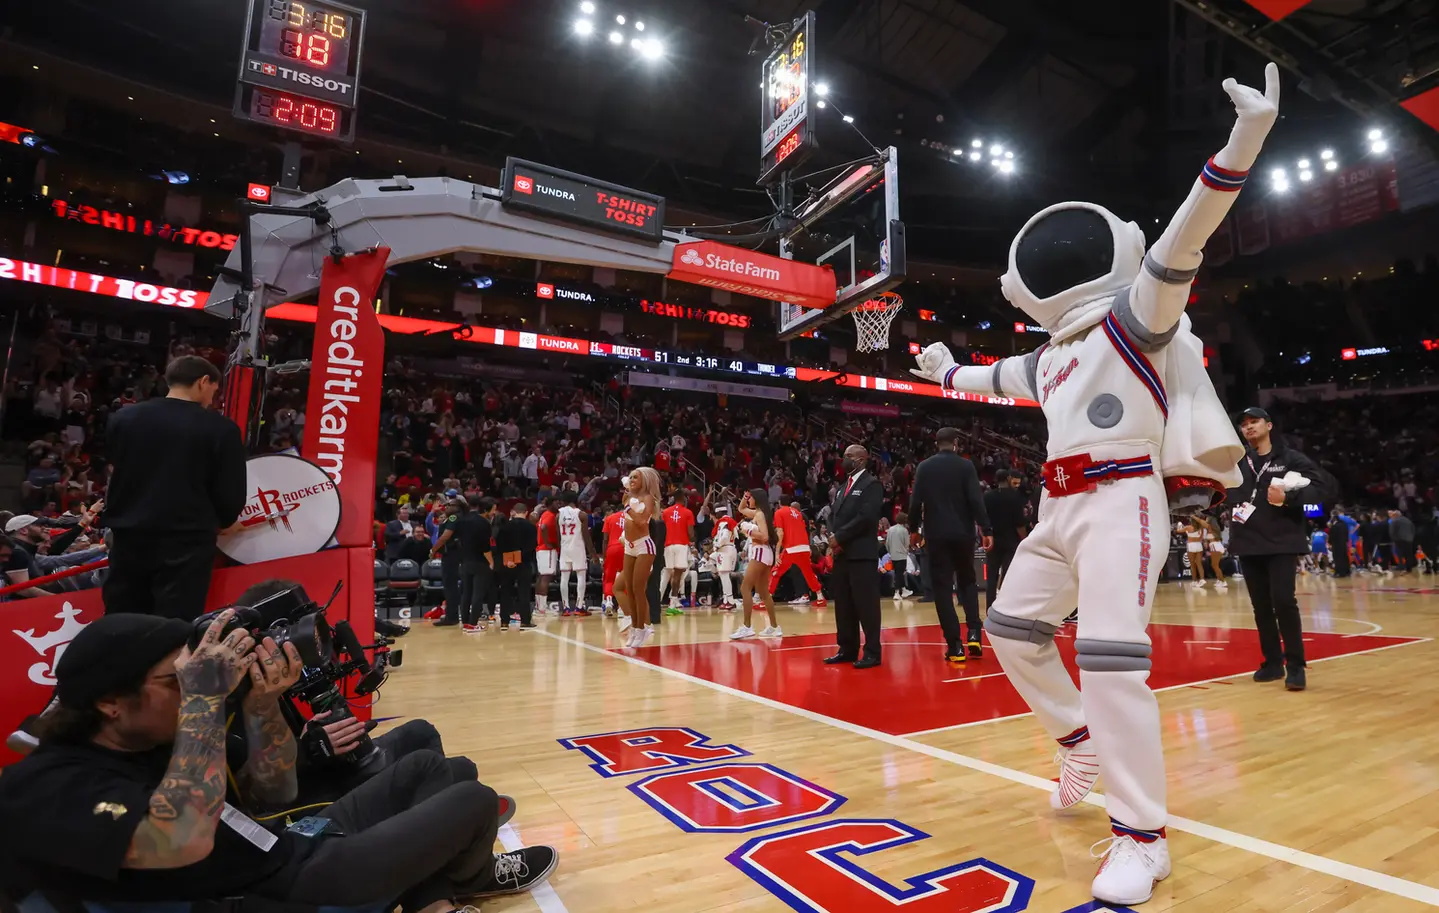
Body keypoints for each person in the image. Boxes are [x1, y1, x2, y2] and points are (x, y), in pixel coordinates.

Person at [910, 65, 1280, 905]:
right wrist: (941, 370)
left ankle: (1142, 838)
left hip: (1120, 499)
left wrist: (1243, 139)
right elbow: (990, 375)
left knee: (1112, 662)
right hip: (1057, 506)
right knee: (1009, 630)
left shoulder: (1135, 318)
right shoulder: (1049, 356)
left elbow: (1187, 231)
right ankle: (1075, 739)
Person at [0, 611, 556, 909]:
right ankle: (465, 881)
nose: (198, 687)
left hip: (289, 840)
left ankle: (435, 894)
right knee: (473, 799)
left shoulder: (147, 734)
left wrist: (263, 703)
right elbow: (181, 839)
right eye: (180, 680)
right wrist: (205, 700)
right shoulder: (45, 786)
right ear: (108, 702)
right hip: (283, 889)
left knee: (438, 769)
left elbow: (275, 792)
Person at [101, 356, 247, 620]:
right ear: (204, 382)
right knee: (172, 623)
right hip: (186, 541)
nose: (212, 400)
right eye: (214, 391)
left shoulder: (124, 418)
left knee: (121, 617)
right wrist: (226, 519)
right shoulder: (221, 429)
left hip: (128, 535)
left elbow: (114, 468)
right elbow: (230, 494)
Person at [1227, 407, 1327, 691]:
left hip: (1282, 541)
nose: (1248, 427)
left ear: (1268, 425)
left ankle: (1295, 666)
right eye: (1243, 424)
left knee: (1283, 601)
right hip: (1248, 540)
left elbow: (1322, 490)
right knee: (1261, 607)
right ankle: (1272, 663)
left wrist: (1289, 497)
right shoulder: (1236, 462)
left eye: (1254, 422)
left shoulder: (1290, 458)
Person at [908, 428, 992, 663]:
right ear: (956, 443)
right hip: (963, 533)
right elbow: (976, 500)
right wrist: (986, 529)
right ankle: (974, 633)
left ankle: (955, 646)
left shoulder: (924, 467)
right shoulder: (966, 467)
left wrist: (914, 529)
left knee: (943, 589)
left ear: (937, 444)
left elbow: (915, 502)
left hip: (936, 535)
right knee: (967, 582)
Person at [824, 444, 885, 669]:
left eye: (848, 457)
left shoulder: (872, 484)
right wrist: (833, 536)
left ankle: (872, 652)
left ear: (860, 460)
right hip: (842, 555)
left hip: (861, 554)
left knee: (866, 606)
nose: (843, 460)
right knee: (844, 604)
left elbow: (866, 517)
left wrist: (840, 538)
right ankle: (847, 648)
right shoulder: (842, 487)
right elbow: (833, 514)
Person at [614, 467, 662, 648]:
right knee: (629, 590)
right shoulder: (628, 497)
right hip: (629, 546)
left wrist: (627, 506)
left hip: (644, 545)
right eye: (631, 477)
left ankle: (642, 628)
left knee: (638, 588)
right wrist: (627, 502)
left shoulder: (647, 498)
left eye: (636, 477)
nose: (632, 479)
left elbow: (642, 521)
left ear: (645, 481)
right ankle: (635, 627)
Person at [730, 489, 782, 640]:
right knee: (763, 592)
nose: (749, 500)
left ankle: (747, 627)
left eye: (750, 497)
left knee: (745, 587)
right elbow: (741, 509)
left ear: (757, 498)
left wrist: (748, 531)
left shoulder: (759, 515)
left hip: (760, 551)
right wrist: (744, 497)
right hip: (766, 553)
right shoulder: (760, 513)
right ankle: (774, 627)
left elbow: (765, 536)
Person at [983, 470, 1028, 609]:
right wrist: (1025, 539)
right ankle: (1005, 606)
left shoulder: (987, 496)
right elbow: (1019, 523)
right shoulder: (1015, 497)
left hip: (993, 540)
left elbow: (983, 519)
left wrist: (985, 535)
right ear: (1008, 478)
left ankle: (990, 607)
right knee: (1008, 574)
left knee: (991, 576)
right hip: (1011, 541)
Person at [451, 496, 496, 633]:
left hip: (465, 561)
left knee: (466, 593)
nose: (494, 512)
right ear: (486, 509)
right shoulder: (484, 523)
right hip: (480, 562)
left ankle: (465, 622)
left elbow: (457, 540)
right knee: (478, 594)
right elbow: (485, 547)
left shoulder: (462, 520)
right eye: (493, 509)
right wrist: (491, 561)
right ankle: (472, 624)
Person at [772, 500, 826, 606]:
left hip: (791, 547)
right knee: (808, 573)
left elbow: (780, 533)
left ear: (779, 503)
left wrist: (777, 553)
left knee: (776, 571)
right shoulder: (799, 514)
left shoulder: (779, 512)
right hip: (804, 547)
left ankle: (766, 600)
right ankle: (820, 597)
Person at [494, 503, 538, 629]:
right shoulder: (531, 527)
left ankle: (504, 621)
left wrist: (508, 560)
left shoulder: (504, 526)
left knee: (505, 591)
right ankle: (525, 620)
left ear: (513, 512)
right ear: (526, 513)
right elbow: (531, 547)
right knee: (523, 592)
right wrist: (518, 559)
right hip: (523, 563)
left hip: (506, 563)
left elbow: (499, 545)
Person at [556, 490, 594, 614]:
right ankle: (579, 607)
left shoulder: (558, 515)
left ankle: (566, 608)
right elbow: (586, 536)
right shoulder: (581, 514)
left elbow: (558, 535)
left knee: (564, 577)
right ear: (576, 500)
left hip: (565, 547)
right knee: (581, 576)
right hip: (577, 547)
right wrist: (593, 553)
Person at [660, 494, 695, 614]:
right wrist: (693, 538)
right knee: (677, 575)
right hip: (681, 545)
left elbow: (662, 529)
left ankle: (659, 601)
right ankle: (672, 603)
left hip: (668, 545)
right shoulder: (688, 512)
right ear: (683, 500)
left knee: (666, 574)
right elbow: (690, 533)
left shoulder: (665, 512)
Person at [429, 498, 462, 622]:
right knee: (450, 586)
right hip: (451, 555)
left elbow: (445, 536)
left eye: (449, 505)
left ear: (457, 507)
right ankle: (452, 614)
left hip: (451, 555)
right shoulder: (452, 517)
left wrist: (434, 549)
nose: (446, 507)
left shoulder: (454, 518)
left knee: (450, 586)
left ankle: (451, 616)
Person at [600, 498, 627, 616]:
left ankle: (609, 601)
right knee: (625, 578)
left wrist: (604, 556)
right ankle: (621, 608)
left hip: (612, 548)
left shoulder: (609, 518)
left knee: (609, 578)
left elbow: (605, 539)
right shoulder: (631, 518)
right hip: (626, 549)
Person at [533, 496, 559, 617]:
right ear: (550, 504)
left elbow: (538, 525)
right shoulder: (550, 516)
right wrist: (548, 542)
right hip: (547, 549)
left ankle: (539, 607)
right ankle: (542, 609)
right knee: (546, 578)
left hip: (541, 550)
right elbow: (543, 528)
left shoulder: (544, 514)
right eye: (556, 502)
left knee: (541, 577)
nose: (558, 504)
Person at [712, 505, 739, 609]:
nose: (716, 515)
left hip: (725, 550)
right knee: (724, 576)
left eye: (716, 513)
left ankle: (730, 600)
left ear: (720, 513)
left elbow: (724, 536)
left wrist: (717, 545)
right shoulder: (731, 521)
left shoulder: (724, 522)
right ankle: (726, 599)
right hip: (730, 548)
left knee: (724, 576)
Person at [1183, 518, 1207, 587]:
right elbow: (1203, 538)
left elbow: (1180, 531)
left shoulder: (1189, 528)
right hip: (1199, 545)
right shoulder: (1202, 529)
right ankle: (1200, 579)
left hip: (1191, 546)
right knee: (1199, 563)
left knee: (1193, 564)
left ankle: (1195, 580)